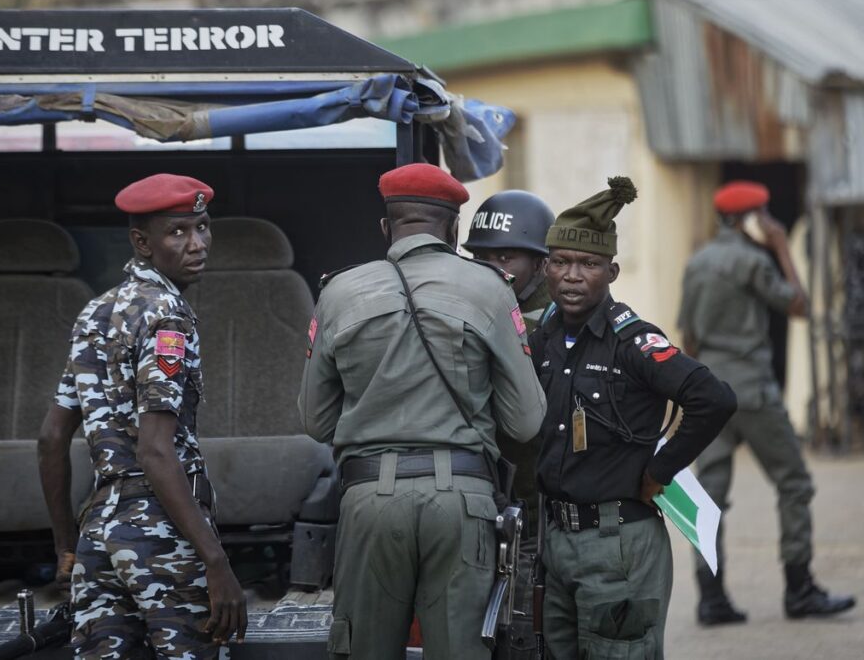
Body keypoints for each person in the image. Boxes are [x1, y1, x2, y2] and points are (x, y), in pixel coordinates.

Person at [299, 163, 546, 660]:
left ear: (386, 227)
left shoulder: (338, 292)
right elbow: (525, 421)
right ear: (454, 228)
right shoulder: (490, 289)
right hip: (462, 499)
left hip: (368, 501)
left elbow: (316, 422)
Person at [37, 174, 245, 659]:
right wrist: (216, 561)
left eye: (203, 227)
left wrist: (67, 547)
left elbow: (50, 438)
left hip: (98, 532)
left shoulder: (96, 311)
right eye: (178, 232)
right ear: (141, 243)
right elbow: (155, 450)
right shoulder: (167, 316)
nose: (197, 244)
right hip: (163, 532)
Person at [531, 176, 737, 659]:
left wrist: (660, 472)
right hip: (557, 540)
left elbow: (714, 398)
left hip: (618, 541)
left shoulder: (633, 342)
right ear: (545, 269)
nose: (573, 276)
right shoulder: (543, 335)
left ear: (612, 271)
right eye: (560, 262)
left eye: (589, 264)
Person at [678, 180, 856, 624]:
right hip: (753, 391)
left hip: (710, 393)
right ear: (750, 220)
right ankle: (800, 589)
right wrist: (780, 245)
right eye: (765, 216)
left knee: (708, 496)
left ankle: (711, 597)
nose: (772, 223)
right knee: (793, 483)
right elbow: (799, 305)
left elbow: (690, 338)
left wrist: (691, 394)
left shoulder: (697, 261)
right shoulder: (753, 260)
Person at [463, 189, 556, 658]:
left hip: (540, 513)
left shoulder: (563, 322)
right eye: (480, 257)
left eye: (506, 256)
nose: (493, 268)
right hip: (479, 504)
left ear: (541, 263)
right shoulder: (464, 307)